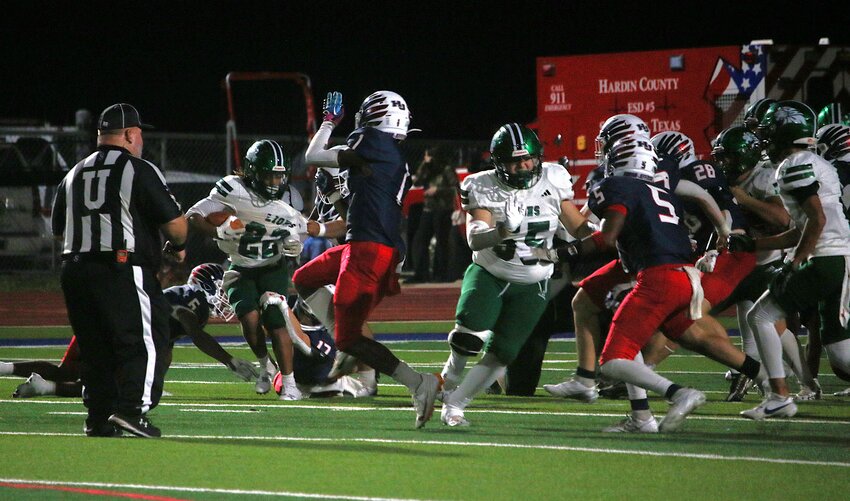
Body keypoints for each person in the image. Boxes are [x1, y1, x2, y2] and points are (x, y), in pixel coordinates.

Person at [296, 90, 442, 429]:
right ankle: (344, 341)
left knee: (349, 339)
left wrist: (330, 121)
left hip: (368, 249)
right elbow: (353, 216)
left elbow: (313, 154)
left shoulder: (371, 140)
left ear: (372, 117)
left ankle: (419, 383)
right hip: (365, 244)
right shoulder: (389, 154)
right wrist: (334, 193)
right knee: (304, 278)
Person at [438, 123, 592, 427]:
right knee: (468, 337)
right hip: (491, 271)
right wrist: (502, 230)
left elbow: (578, 228)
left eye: (528, 159)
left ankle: (456, 405)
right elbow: (474, 238)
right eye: (514, 161)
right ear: (499, 163)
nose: (523, 166)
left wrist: (606, 233)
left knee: (504, 353)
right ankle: (449, 379)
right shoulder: (482, 185)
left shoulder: (553, 178)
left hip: (534, 280)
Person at [51, 103, 187, 438]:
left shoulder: (73, 173)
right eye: (139, 134)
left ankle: (98, 416)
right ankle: (132, 411)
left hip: (74, 268)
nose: (141, 141)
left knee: (95, 346)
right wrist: (175, 246)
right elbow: (177, 228)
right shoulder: (138, 169)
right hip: (121, 266)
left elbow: (58, 227)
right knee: (145, 339)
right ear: (128, 134)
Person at [740, 100, 850, 420]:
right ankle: (780, 395)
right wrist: (753, 244)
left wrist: (795, 261)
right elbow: (801, 228)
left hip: (827, 258)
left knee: (760, 315)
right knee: (843, 357)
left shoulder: (793, 165)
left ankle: (779, 396)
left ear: (782, 131)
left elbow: (816, 221)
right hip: (836, 257)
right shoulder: (811, 161)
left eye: (768, 131)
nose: (763, 138)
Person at [8, 263, 260, 399]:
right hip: (120, 330)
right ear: (207, 285)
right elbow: (193, 330)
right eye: (221, 289)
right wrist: (228, 360)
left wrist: (155, 382)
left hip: (107, 320)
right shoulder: (193, 299)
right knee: (116, 389)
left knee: (68, 373)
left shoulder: (175, 304)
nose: (225, 298)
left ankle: (14, 373)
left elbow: (164, 350)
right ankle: (46, 389)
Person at [186, 139, 307, 401]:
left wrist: (295, 242)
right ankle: (266, 366)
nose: (276, 183)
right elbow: (194, 216)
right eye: (269, 176)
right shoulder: (233, 189)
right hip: (240, 267)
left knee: (275, 319)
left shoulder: (289, 198)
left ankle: (290, 383)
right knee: (250, 321)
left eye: (279, 176)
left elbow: (302, 230)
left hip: (272, 266)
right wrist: (218, 229)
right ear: (252, 172)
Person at [267, 290, 372, 398]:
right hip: (297, 378)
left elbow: (299, 339)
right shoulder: (293, 302)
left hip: (321, 384)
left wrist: (282, 305)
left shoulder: (324, 338)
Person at [406, 146, 459, 283]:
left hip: (443, 209)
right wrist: (424, 165)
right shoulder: (428, 169)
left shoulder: (446, 169)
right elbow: (417, 182)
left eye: (428, 156)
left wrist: (438, 190)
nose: (426, 158)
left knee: (442, 242)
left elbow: (455, 188)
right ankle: (421, 273)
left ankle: (442, 273)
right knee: (421, 240)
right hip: (428, 209)